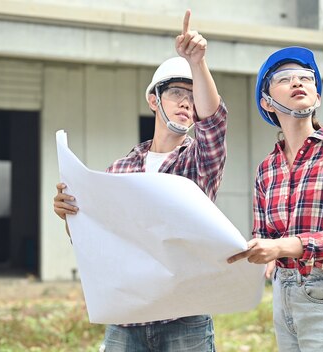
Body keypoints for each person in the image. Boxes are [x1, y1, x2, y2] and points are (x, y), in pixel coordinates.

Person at [53, 10, 226, 352]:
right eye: (178, 93)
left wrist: (196, 63)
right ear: (153, 100)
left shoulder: (199, 161)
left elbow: (214, 122)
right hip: (127, 318)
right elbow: (97, 240)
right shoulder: (120, 169)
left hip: (184, 316)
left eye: (192, 97)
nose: (186, 103)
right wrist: (69, 216)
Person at [227, 46, 323, 351]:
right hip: (284, 293)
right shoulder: (267, 168)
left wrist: (280, 247)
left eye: (307, 78)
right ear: (267, 102)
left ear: (317, 97)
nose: (298, 82)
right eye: (284, 78)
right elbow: (263, 235)